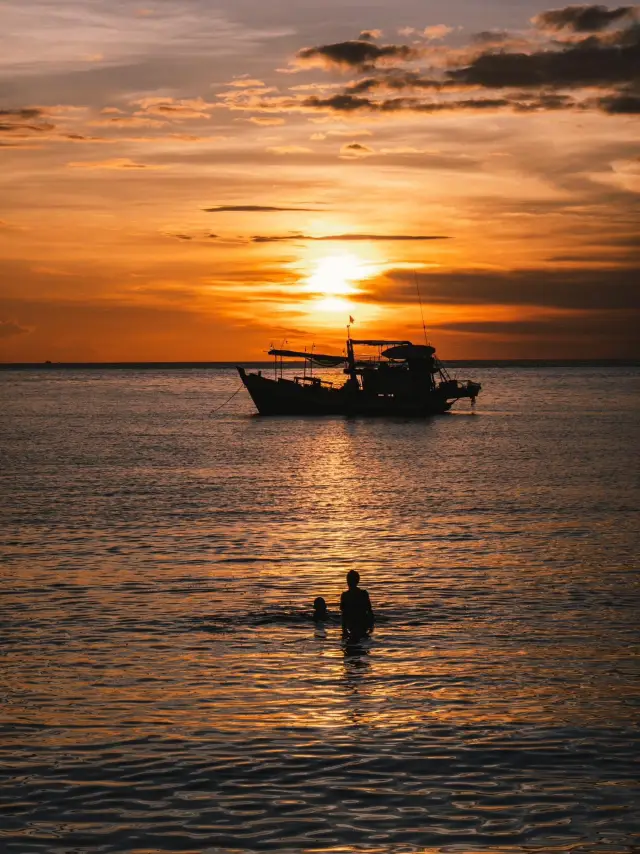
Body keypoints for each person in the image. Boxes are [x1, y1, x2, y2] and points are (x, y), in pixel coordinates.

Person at [340, 570, 374, 641]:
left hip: (353, 624)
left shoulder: (345, 596)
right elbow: (370, 611)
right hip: (362, 623)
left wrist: (344, 630)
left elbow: (343, 615)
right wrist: (371, 627)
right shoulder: (363, 594)